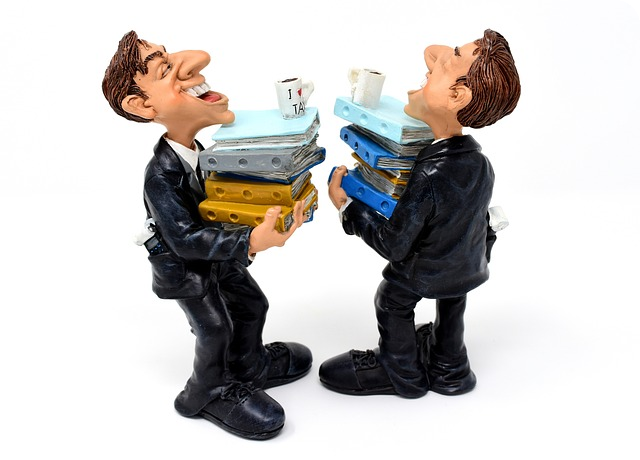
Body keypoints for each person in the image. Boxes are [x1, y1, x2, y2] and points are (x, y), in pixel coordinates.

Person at [102, 31, 312, 440]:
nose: (194, 62)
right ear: (142, 105)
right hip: (187, 269)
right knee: (215, 328)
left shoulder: (204, 154)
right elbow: (184, 239)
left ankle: (248, 366)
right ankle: (206, 391)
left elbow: (223, 201)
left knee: (251, 304)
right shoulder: (160, 177)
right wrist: (250, 241)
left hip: (217, 255)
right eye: (165, 69)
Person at [320, 29, 520, 398]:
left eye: (450, 58)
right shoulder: (481, 163)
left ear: (457, 96)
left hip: (426, 270)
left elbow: (394, 245)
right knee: (452, 302)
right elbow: (472, 219)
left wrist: (348, 208)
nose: (432, 59)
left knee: (392, 300)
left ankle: (400, 373)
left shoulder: (429, 173)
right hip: (467, 265)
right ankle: (450, 367)